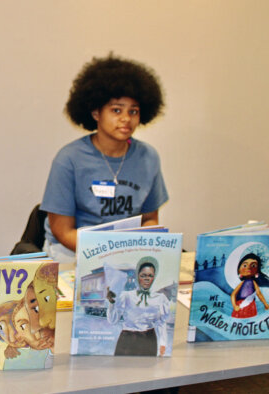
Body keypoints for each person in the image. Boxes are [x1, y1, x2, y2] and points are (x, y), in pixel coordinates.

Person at [41, 54, 168, 263]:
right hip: (73, 253)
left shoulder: (148, 157)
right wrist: (108, 255)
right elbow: (62, 231)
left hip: (127, 255)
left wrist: (144, 248)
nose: (126, 119)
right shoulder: (69, 159)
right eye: (116, 110)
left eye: (133, 111)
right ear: (95, 113)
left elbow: (150, 218)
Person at [106, 257, 170, 356]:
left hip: (149, 340)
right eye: (143, 275)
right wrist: (111, 303)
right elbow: (113, 320)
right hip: (127, 340)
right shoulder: (127, 296)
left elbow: (161, 323)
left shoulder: (160, 299)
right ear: (137, 276)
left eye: (150, 275)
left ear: (154, 277)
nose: (147, 278)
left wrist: (163, 344)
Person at [230, 253, 269, 318]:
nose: (249, 268)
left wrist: (265, 303)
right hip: (240, 305)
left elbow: (259, 294)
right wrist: (235, 306)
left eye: (253, 265)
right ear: (239, 270)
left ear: (257, 270)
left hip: (250, 306)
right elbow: (233, 294)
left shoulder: (253, 282)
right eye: (245, 265)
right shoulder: (242, 283)